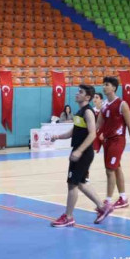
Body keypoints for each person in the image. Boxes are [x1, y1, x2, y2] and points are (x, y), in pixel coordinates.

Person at [49, 85, 106, 226]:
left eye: (80, 92)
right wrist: (57, 136)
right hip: (79, 151)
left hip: (83, 153)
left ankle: (68, 217)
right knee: (80, 183)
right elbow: (73, 132)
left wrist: (79, 151)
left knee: (72, 184)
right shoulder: (79, 112)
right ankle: (102, 207)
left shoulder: (88, 112)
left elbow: (93, 134)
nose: (77, 94)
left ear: (87, 97)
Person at [96, 76, 130, 213]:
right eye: (103, 84)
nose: (104, 87)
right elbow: (98, 125)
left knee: (109, 170)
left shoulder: (122, 104)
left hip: (118, 140)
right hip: (107, 141)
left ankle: (107, 201)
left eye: (106, 84)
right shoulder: (104, 106)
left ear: (114, 87)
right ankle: (123, 198)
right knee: (116, 168)